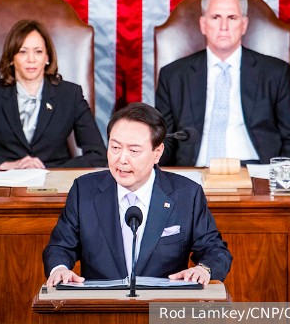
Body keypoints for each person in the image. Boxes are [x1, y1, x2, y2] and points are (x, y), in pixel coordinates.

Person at [43, 102, 232, 287]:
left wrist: (203, 269)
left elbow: (214, 250)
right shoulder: (84, 190)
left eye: (133, 151)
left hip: (162, 304)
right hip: (102, 304)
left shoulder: (187, 194)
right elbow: (60, 246)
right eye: (115, 148)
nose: (122, 159)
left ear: (157, 152)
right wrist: (59, 269)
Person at [155, 0, 290, 166]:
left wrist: (279, 177)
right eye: (216, 17)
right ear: (203, 25)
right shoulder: (173, 76)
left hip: (256, 170)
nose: (224, 27)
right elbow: (165, 141)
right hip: (194, 171)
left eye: (232, 18)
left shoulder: (275, 73)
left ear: (244, 25)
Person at [0, 20, 107, 169]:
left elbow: (98, 155)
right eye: (22, 52)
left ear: (47, 57)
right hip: (3, 183)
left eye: (38, 51)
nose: (31, 59)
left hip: (54, 184)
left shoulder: (70, 95)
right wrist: (4, 166)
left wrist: (53, 171)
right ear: (11, 58)